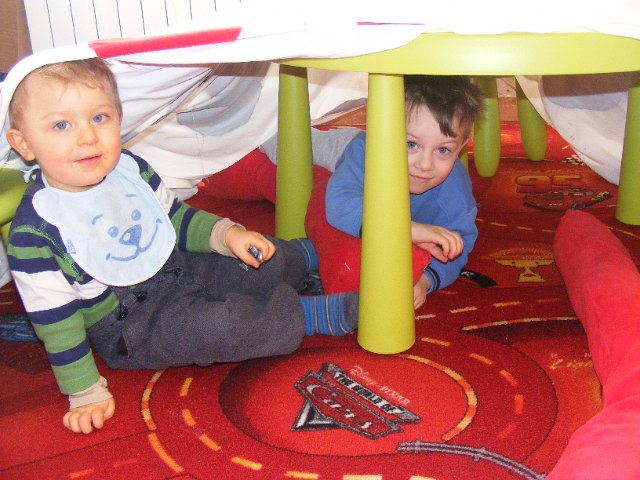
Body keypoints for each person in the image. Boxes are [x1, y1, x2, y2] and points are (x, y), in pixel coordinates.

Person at [3, 57, 358, 435]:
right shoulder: (34, 235)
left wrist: (226, 235)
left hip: (177, 265)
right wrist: (83, 390)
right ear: (24, 144)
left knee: (257, 257)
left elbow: (173, 217)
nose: (87, 137)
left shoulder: (130, 170)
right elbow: (56, 322)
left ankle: (303, 255)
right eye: (61, 125)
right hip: (132, 327)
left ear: (119, 118)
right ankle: (306, 316)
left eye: (100, 118)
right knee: (221, 325)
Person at [259, 75, 483, 309]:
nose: (425, 165)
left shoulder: (455, 195)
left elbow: (458, 245)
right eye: (411, 144)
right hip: (346, 148)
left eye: (443, 150)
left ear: (461, 146)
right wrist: (404, 229)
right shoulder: (364, 152)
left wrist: (426, 280)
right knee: (287, 146)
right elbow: (339, 205)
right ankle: (256, 131)